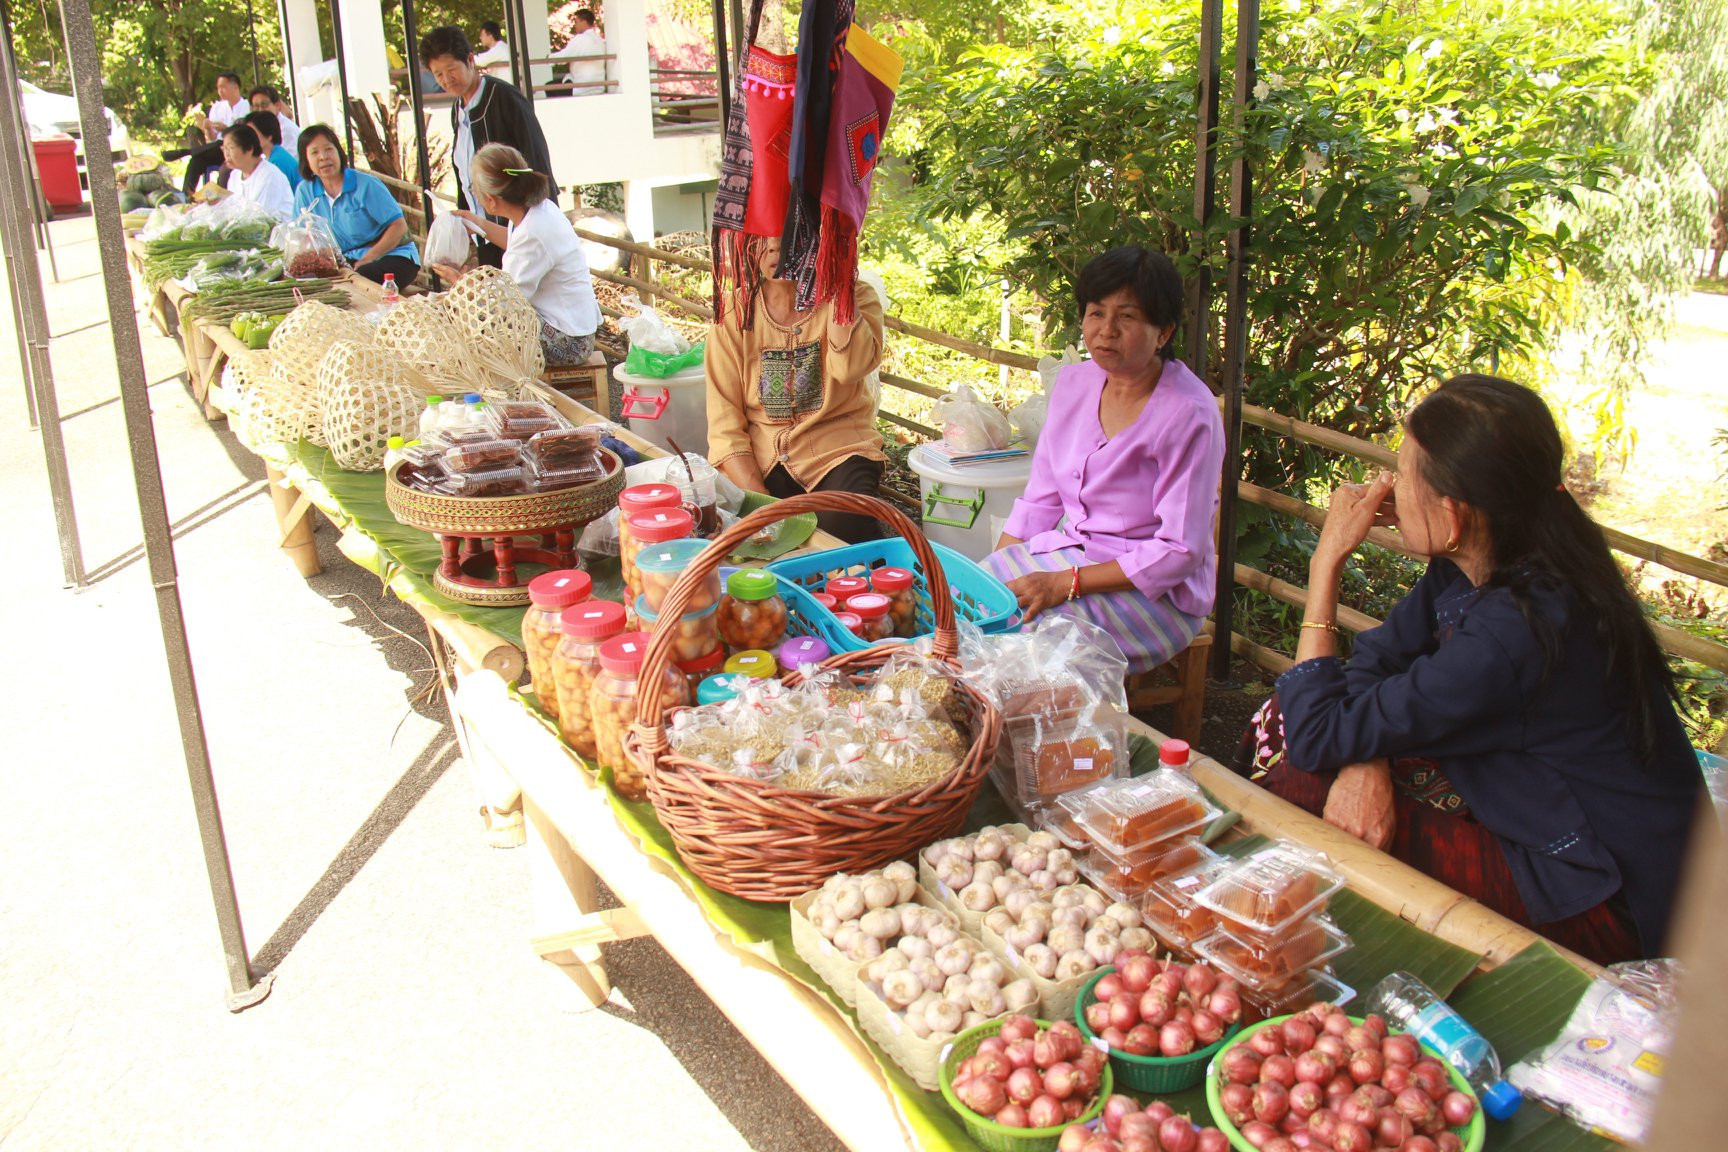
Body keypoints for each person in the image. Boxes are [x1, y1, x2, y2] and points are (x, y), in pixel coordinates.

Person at [1234, 375, 1707, 965]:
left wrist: (1326, 563)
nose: (1386, 483)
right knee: (1292, 717)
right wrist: (1366, 756)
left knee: (1300, 762)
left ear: (1453, 517)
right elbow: (1379, 658)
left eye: (1403, 473)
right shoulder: (1483, 558)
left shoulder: (1519, 628)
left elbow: (1318, 732)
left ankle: (1306, 949)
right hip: (1533, 797)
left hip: (1598, 891)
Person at [982, 246, 1224, 675]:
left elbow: (1179, 550)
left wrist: (1066, 583)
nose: (1106, 331)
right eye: (1096, 313)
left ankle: (1046, 736)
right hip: (1069, 554)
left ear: (1163, 332)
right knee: (967, 602)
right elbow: (1042, 499)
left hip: (1155, 593)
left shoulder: (1189, 413)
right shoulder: (1075, 384)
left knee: (1029, 644)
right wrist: (994, 569)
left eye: (1127, 317)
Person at [706, 234, 888, 543]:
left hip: (839, 449)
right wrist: (762, 507)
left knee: (842, 523)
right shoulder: (734, 315)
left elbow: (850, 367)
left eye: (790, 229)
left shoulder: (854, 295)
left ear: (817, 235)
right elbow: (725, 428)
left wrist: (838, 284)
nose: (775, 244)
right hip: (764, 456)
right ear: (748, 246)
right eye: (762, 237)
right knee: (750, 532)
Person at [428, 144, 599, 367]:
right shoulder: (538, 211)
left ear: (490, 199)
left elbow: (504, 303)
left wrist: (461, 283)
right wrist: (480, 224)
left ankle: (491, 391)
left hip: (569, 341)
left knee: (474, 321)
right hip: (574, 327)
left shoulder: (533, 230)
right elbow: (518, 245)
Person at [421, 25, 556, 269]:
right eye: (438, 74)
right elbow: (463, 172)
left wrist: (542, 226)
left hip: (518, 230)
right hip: (484, 231)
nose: (446, 79)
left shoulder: (504, 98)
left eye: (451, 69)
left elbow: (536, 160)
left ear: (470, 60)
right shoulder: (457, 109)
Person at [292, 124, 421, 286]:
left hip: (392, 255)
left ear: (339, 152)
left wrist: (368, 259)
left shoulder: (365, 185)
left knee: (361, 276)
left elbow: (399, 226)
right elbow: (302, 234)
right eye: (314, 152)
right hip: (348, 260)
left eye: (328, 149)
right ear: (306, 160)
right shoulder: (305, 191)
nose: (323, 157)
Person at [180, 71, 247, 196]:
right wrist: (208, 128)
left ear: (235, 87)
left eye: (223, 87)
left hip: (236, 149)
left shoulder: (247, 107)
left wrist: (226, 129)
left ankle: (185, 152)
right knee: (196, 160)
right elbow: (211, 138)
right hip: (217, 148)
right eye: (218, 88)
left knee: (221, 156)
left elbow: (246, 135)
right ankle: (187, 195)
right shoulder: (217, 108)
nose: (220, 91)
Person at [220, 123, 294, 219]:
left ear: (249, 148)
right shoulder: (235, 175)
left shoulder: (269, 175)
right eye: (224, 149)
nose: (226, 154)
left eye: (230, 148)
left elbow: (258, 221)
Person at [552, 9, 608, 96]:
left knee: (549, 87)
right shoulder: (600, 41)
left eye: (576, 22)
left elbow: (563, 58)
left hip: (581, 89)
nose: (575, 25)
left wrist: (549, 58)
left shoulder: (580, 39)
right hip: (599, 87)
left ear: (584, 22)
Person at [242, 109, 300, 189]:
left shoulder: (277, 161)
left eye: (252, 133)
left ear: (269, 135)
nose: (248, 138)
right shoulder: (274, 155)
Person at [248, 84, 300, 155]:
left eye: (264, 105)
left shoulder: (286, 129)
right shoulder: (260, 128)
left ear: (277, 105)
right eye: (256, 106)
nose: (260, 110)